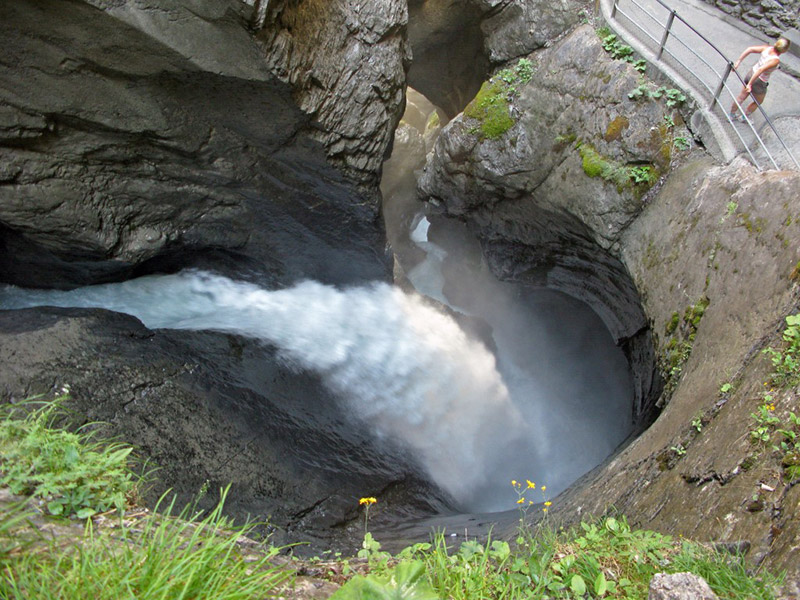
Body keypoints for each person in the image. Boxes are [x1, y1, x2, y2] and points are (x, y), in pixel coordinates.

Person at [729, 38, 791, 122]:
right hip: (759, 81)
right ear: (784, 50)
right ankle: (744, 117)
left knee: (741, 97)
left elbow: (750, 49)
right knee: (758, 101)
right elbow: (761, 70)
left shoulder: (767, 48)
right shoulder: (775, 60)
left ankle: (731, 115)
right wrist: (750, 84)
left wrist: (738, 61)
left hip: (751, 73)